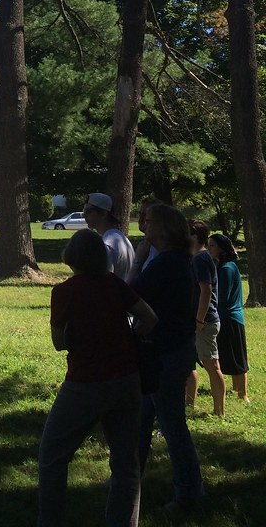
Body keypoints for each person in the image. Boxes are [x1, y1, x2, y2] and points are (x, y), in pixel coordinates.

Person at [38, 229, 157, 527]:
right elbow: (150, 317)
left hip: (85, 382)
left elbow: (58, 343)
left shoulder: (64, 291)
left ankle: (51, 521)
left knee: (52, 455)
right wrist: (131, 339)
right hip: (127, 379)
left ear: (71, 257)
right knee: (126, 461)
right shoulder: (114, 283)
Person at [133, 203, 204, 517]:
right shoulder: (177, 260)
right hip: (167, 352)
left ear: (163, 229)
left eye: (149, 220)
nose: (144, 223)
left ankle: (188, 494)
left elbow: (131, 294)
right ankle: (129, 480)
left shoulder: (166, 263)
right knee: (141, 420)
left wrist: (137, 260)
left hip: (166, 356)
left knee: (172, 426)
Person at [185, 219, 226, 416]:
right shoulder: (197, 257)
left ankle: (219, 412)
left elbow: (206, 290)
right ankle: (188, 406)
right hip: (198, 320)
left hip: (205, 321)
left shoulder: (201, 258)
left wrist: (200, 320)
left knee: (212, 365)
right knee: (189, 364)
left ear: (194, 235)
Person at [208, 233, 249, 403]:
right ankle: (236, 390)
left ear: (221, 249)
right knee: (230, 356)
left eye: (212, 245)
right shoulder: (224, 266)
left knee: (237, 358)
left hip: (230, 318)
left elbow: (221, 297)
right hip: (226, 317)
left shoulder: (226, 269)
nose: (208, 249)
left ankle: (243, 394)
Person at [83, 192, 135, 281]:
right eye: (84, 211)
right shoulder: (120, 238)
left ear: (103, 214)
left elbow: (104, 283)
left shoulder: (107, 245)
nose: (84, 215)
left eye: (89, 211)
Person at [127, 197, 162, 284]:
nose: (140, 220)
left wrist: (138, 261)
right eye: (140, 214)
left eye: (146, 216)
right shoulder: (146, 246)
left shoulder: (159, 250)